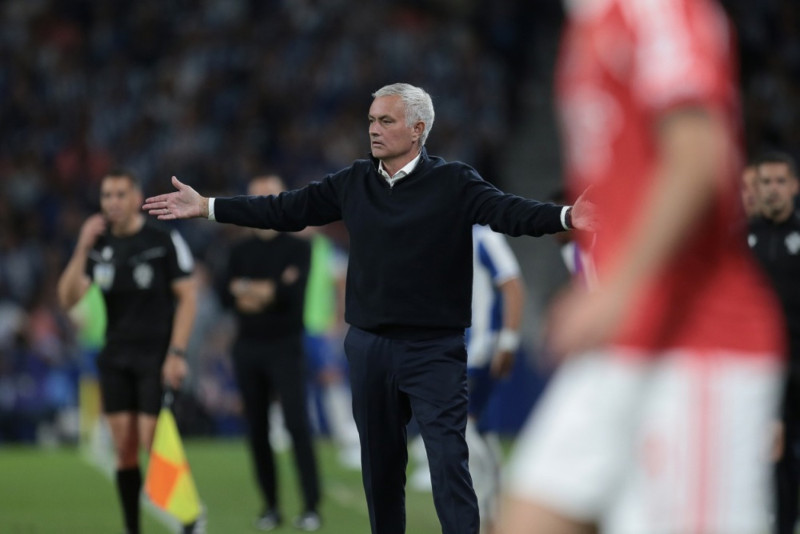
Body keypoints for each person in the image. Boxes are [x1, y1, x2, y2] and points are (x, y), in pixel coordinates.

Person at [143, 82, 594, 534]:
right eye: (372, 121)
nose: (374, 130)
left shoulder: (453, 182)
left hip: (434, 350)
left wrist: (565, 216)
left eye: (386, 121)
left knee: (448, 465)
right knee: (380, 472)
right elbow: (284, 208)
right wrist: (208, 207)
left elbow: (508, 211)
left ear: (417, 129)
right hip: (369, 348)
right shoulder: (353, 181)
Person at [498, 1, 785, 533]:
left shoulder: (658, 10)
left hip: (697, 342)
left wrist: (614, 291)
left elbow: (699, 156)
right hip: (625, 341)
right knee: (529, 517)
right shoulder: (589, 20)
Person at [58, 170, 197, 534]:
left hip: (156, 356)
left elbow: (188, 297)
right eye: (107, 195)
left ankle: (188, 515)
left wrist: (177, 353)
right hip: (116, 356)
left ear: (136, 198)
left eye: (121, 194)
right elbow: (67, 298)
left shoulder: (162, 240)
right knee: (124, 448)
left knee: (153, 441)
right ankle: (133, 528)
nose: (113, 202)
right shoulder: (99, 246)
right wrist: (81, 247)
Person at [222, 174, 321, 532]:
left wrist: (247, 290)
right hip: (248, 348)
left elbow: (291, 299)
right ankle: (271, 507)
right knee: (257, 429)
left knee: (297, 425)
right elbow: (225, 297)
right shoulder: (237, 250)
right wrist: (270, 290)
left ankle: (310, 507)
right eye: (256, 197)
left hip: (286, 346)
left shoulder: (298, 247)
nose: (262, 204)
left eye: (268, 196)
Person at [747, 151, 800, 534]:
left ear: (795, 186)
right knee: (772, 462)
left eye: (781, 181)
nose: (773, 189)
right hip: (767, 373)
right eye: (766, 182)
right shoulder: (741, 240)